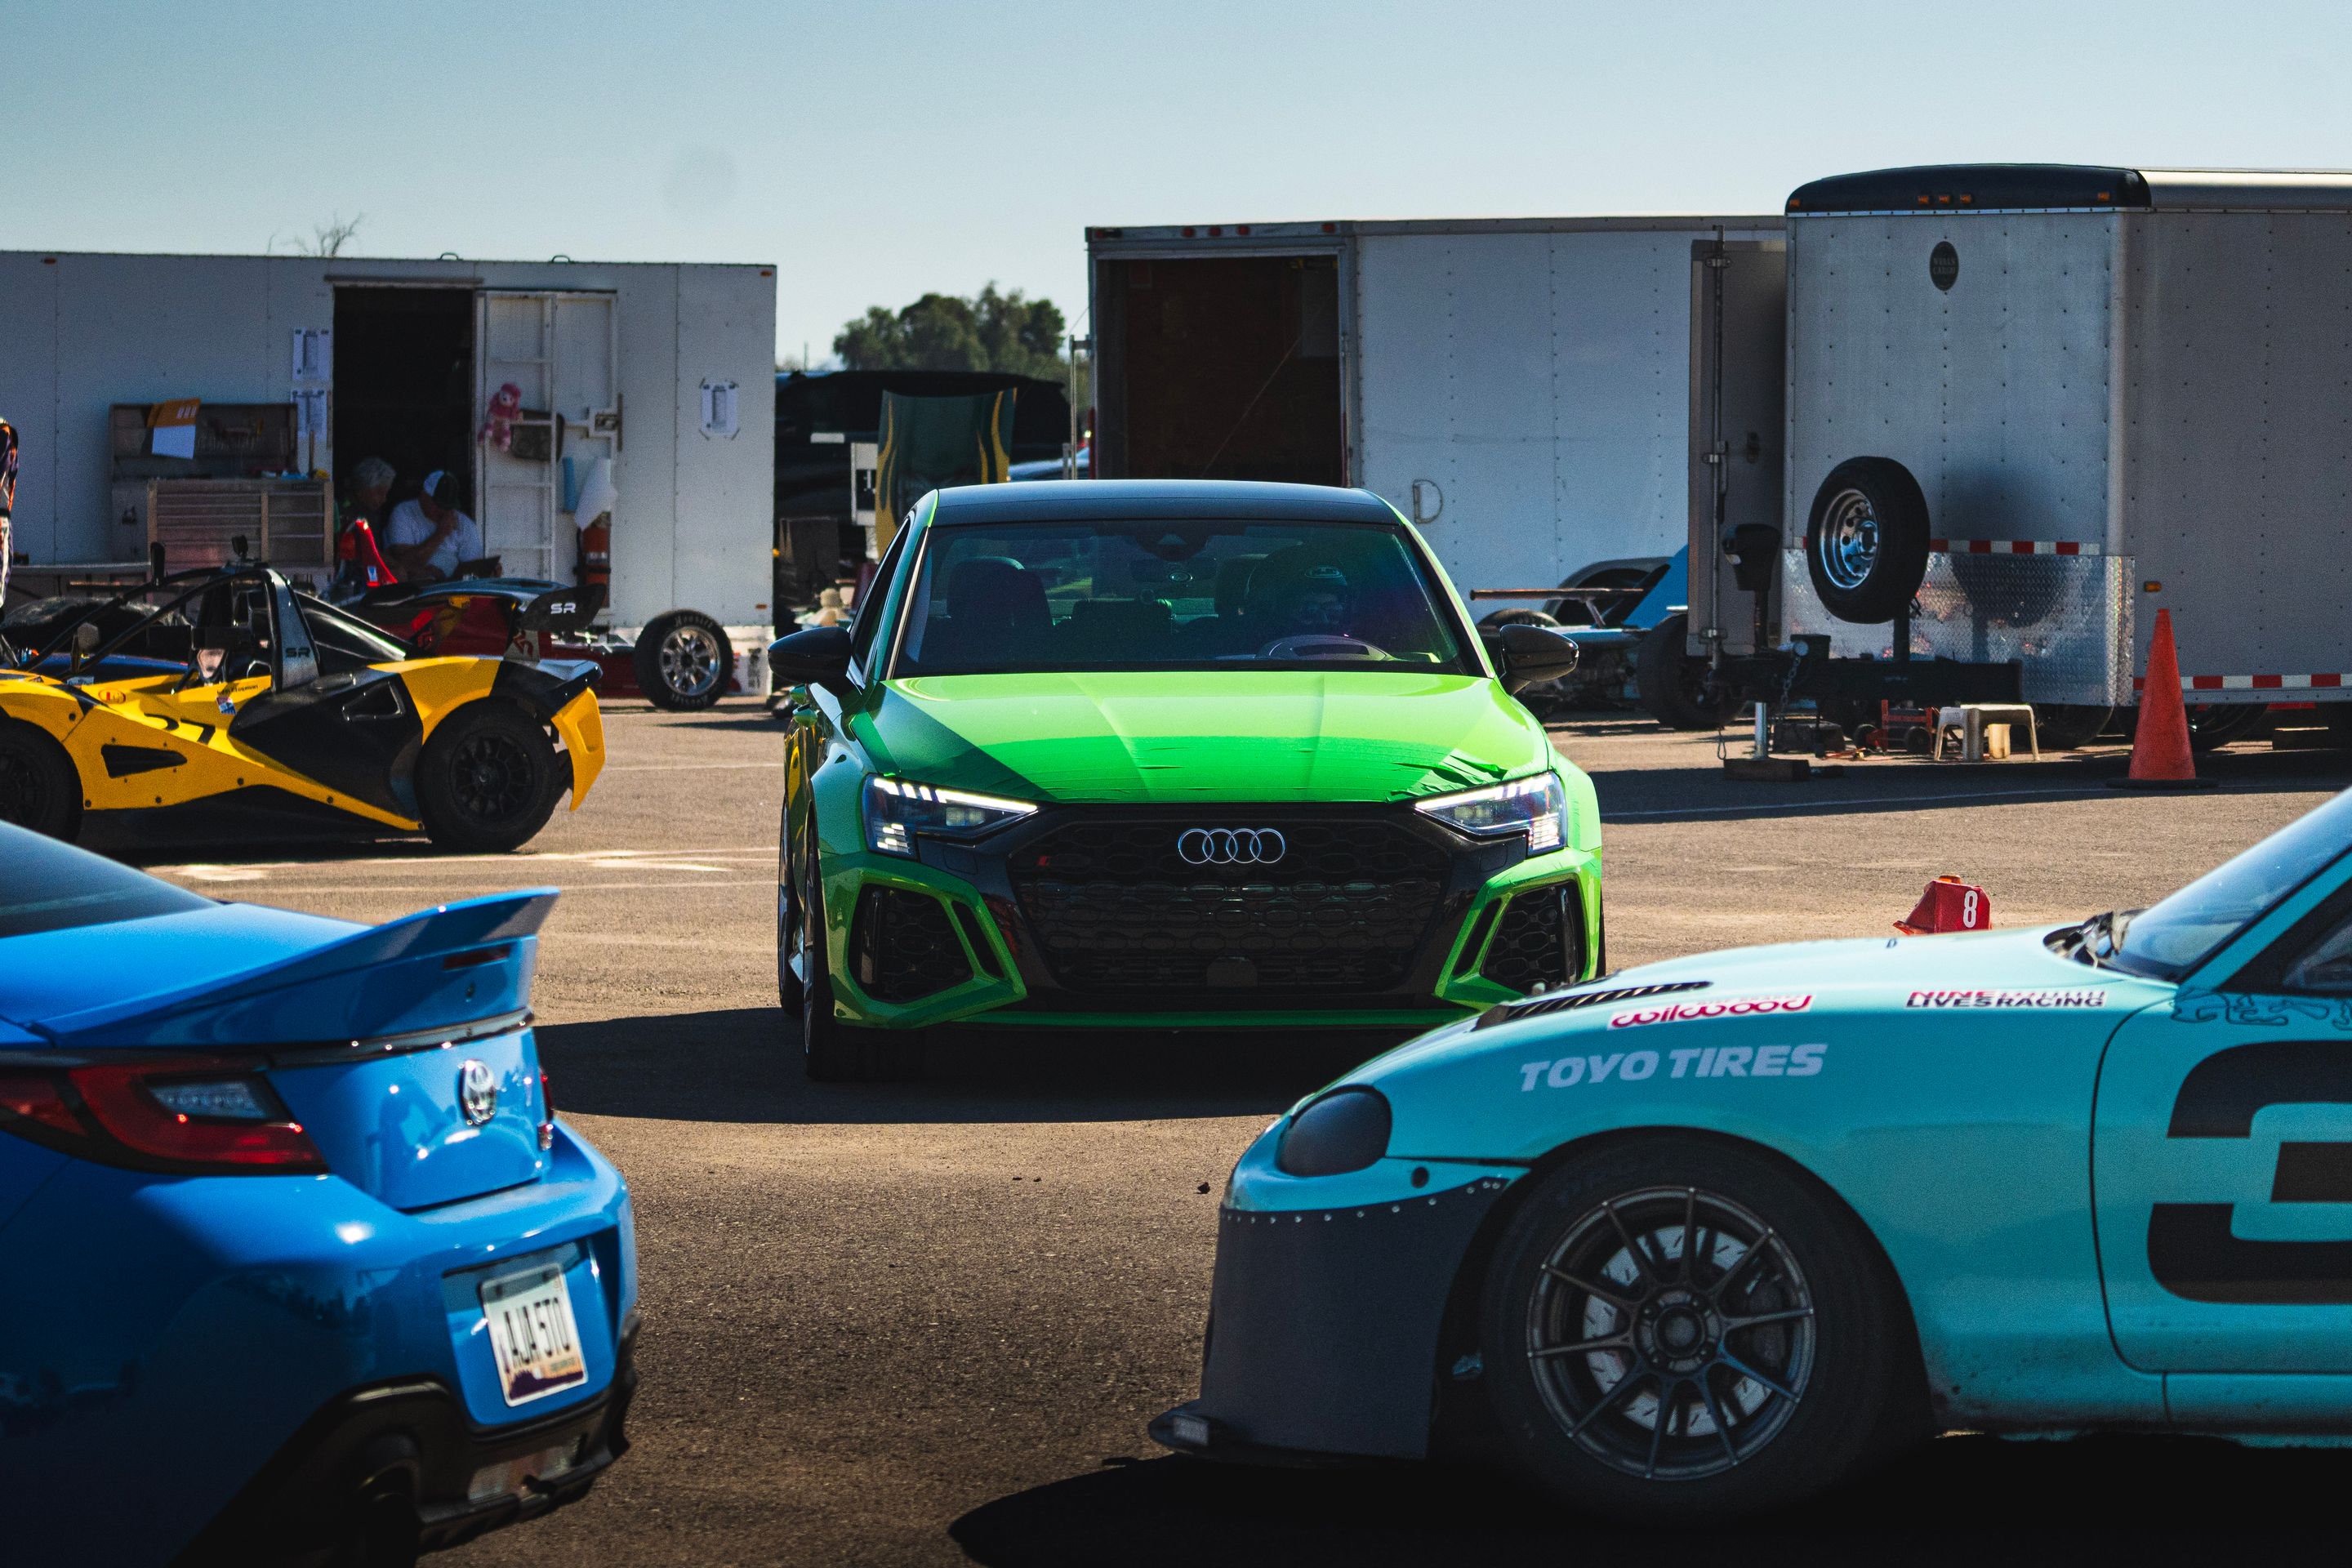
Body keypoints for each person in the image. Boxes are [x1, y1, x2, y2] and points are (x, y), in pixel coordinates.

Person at [383, 470, 483, 583]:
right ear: (424, 496)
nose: (443, 511)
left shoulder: (464, 523)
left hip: (451, 589)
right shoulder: (403, 512)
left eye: (448, 506)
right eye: (439, 505)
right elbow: (405, 563)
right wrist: (440, 534)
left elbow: (474, 571)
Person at [334, 457, 399, 594]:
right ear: (362, 488)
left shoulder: (372, 511)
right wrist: (399, 565)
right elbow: (365, 553)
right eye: (380, 493)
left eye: (386, 493)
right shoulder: (347, 512)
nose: (384, 499)